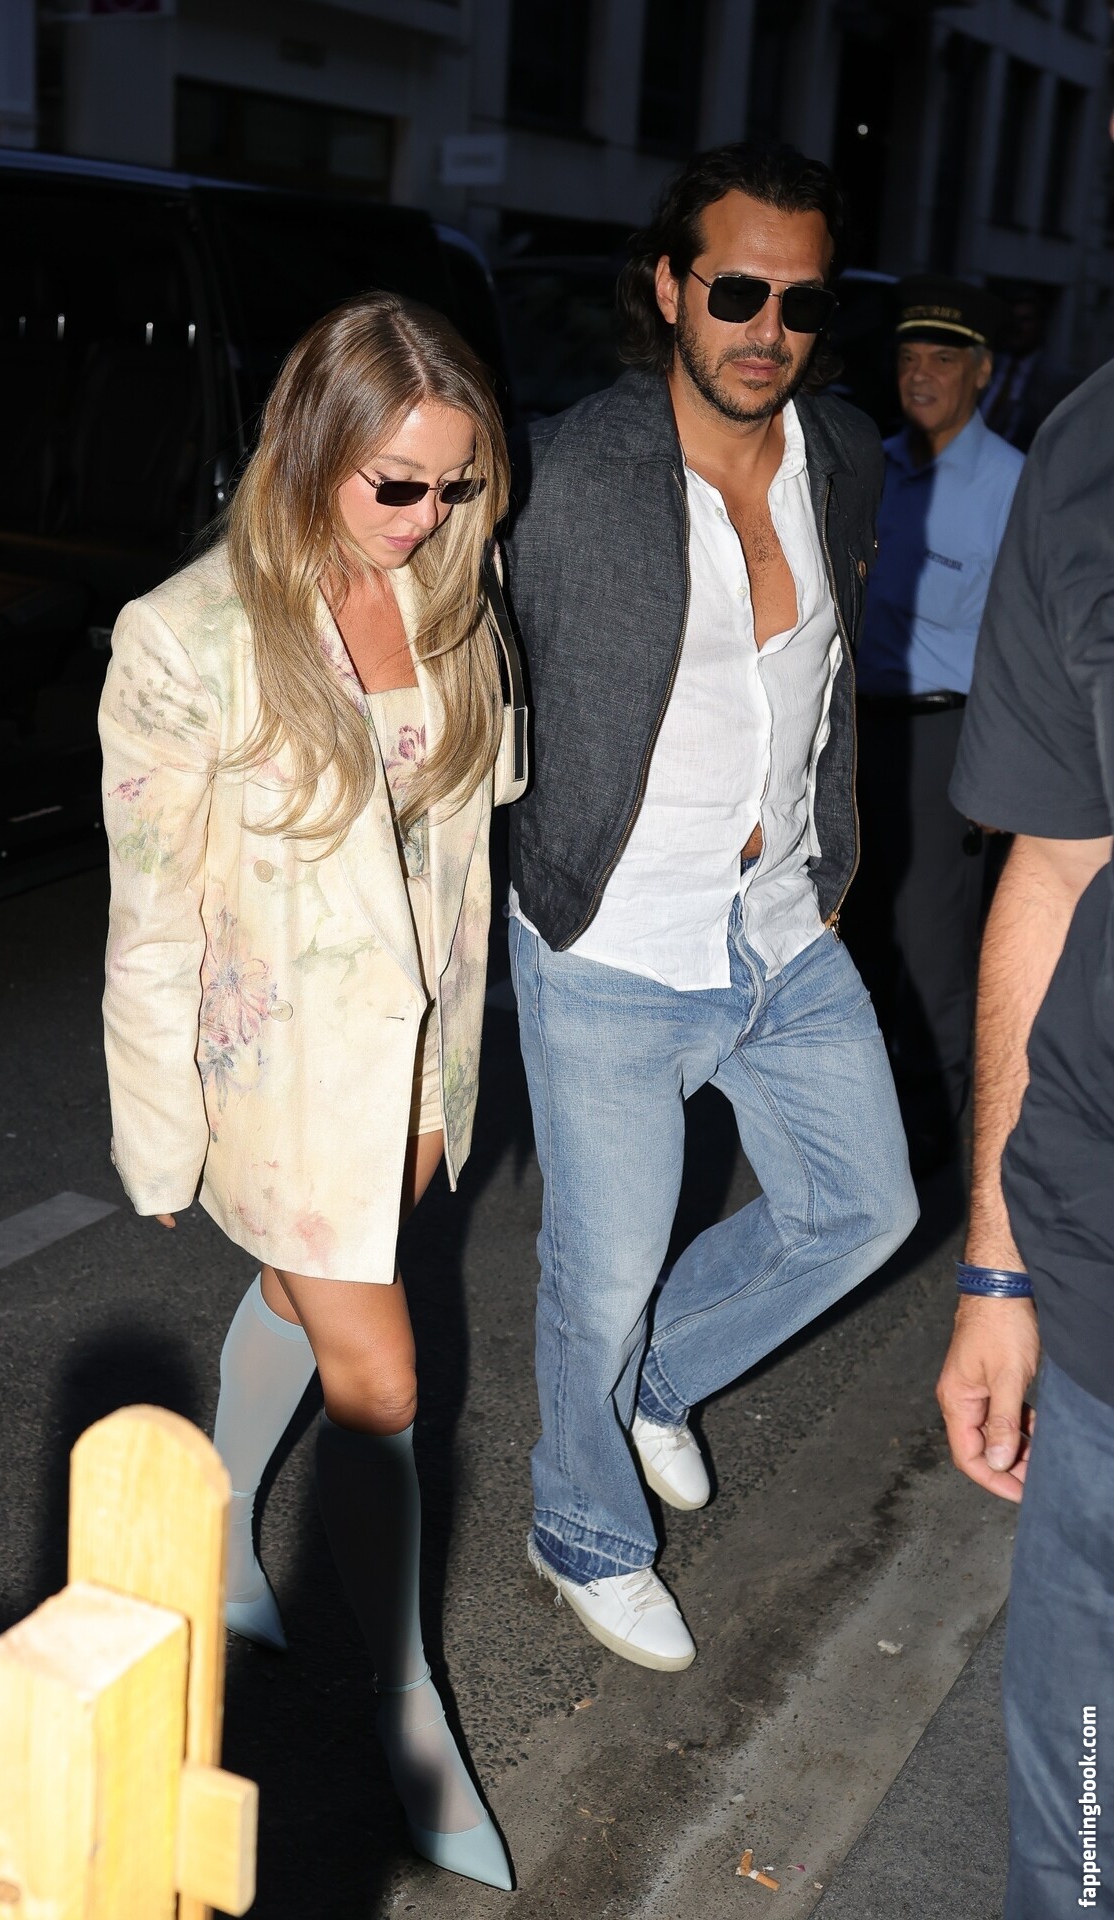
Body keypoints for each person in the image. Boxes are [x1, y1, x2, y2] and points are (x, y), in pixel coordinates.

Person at [99, 293, 525, 1890]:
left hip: (416, 1068)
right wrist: (160, 1141)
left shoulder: (451, 593)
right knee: (383, 1377)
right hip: (281, 1078)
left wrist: (455, 1066)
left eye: (457, 483)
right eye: (396, 484)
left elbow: (463, 845)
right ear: (311, 449)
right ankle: (409, 1720)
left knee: (300, 1293)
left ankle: (218, 1533)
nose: (429, 514)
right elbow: (151, 924)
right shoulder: (187, 636)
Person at [502, 143, 918, 1672]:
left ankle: (659, 1379)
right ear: (671, 287)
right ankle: (580, 1526)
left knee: (864, 1210)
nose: (768, 329)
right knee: (599, 1276)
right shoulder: (565, 473)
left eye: (802, 303)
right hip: (615, 938)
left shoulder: (846, 456)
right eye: (737, 291)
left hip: (782, 923)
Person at [935, 355, 1114, 1913]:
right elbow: (1055, 870)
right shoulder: (1092, 450)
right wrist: (995, 1273)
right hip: (1106, 1306)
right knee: (1079, 1851)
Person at [846, 276, 1024, 1175]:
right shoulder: (867, 468)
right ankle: (858, 1137)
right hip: (855, 736)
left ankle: (925, 1151)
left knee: (933, 956)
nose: (921, 375)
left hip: (945, 742)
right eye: (910, 357)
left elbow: (1026, 642)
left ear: (981, 372)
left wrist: (1001, 768)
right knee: (853, 940)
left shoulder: (1012, 487)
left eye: (943, 360)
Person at [979, 284, 1078, 453]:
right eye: (1013, 319)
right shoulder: (987, 367)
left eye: (1026, 320)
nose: (1017, 327)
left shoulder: (1054, 383)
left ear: (1040, 325)